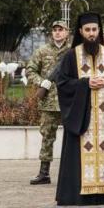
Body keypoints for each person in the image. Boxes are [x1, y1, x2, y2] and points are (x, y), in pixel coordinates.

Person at [53, 12, 104, 206]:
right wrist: (85, 83)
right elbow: (62, 83)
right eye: (87, 30)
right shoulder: (71, 56)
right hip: (81, 117)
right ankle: (77, 195)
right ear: (80, 31)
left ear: (99, 30)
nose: (91, 34)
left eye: (94, 29)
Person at [25, 20, 71, 185]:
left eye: (61, 29)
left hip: (69, 101)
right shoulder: (42, 51)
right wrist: (41, 82)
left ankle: (73, 172)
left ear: (67, 32)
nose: (57, 32)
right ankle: (44, 173)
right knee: (47, 137)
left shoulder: (73, 51)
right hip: (49, 103)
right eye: (55, 30)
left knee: (73, 137)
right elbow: (30, 70)